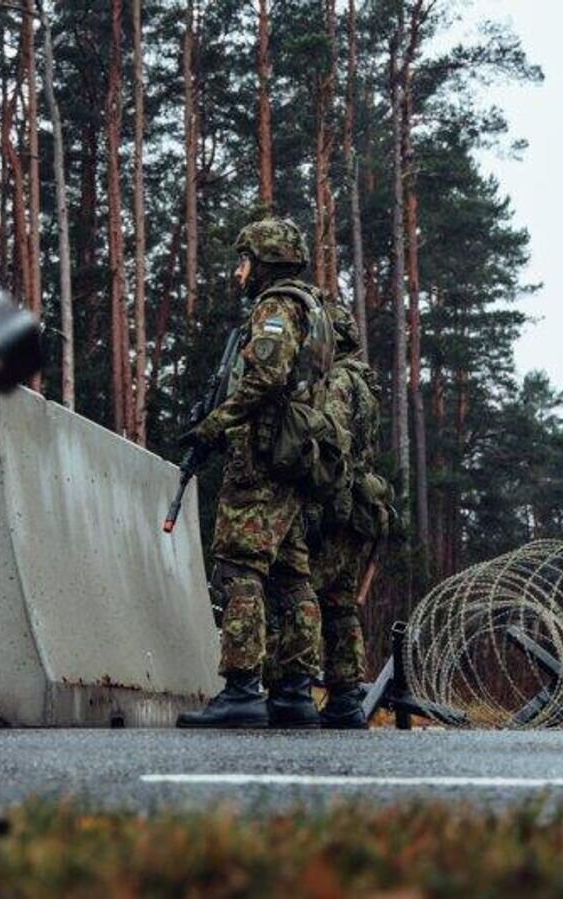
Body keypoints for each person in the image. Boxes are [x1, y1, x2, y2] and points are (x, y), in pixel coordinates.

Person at [176, 218, 334, 729]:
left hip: (262, 462)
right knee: (291, 577)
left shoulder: (276, 308)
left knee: (240, 567)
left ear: (265, 261)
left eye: (245, 260)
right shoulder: (311, 308)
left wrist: (212, 426)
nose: (239, 271)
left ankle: (243, 689)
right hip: (290, 461)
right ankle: (293, 693)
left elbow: (264, 377)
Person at [306, 301, 390, 729]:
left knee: (305, 593)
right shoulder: (365, 384)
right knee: (340, 605)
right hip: (357, 507)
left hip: (336, 505)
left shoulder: (338, 381)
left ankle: (297, 689)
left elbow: (331, 439)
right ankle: (345, 696)